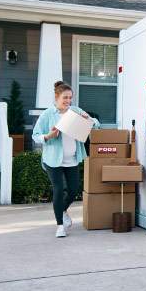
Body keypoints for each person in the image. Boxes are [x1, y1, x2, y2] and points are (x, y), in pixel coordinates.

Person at [32, 81, 100, 238]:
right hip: (53, 160)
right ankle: (60, 226)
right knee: (57, 190)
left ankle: (63, 211)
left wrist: (89, 118)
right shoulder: (48, 114)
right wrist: (48, 136)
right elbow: (35, 135)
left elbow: (95, 125)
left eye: (70, 98)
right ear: (57, 97)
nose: (68, 101)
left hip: (72, 159)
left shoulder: (75, 111)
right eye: (65, 98)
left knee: (73, 191)